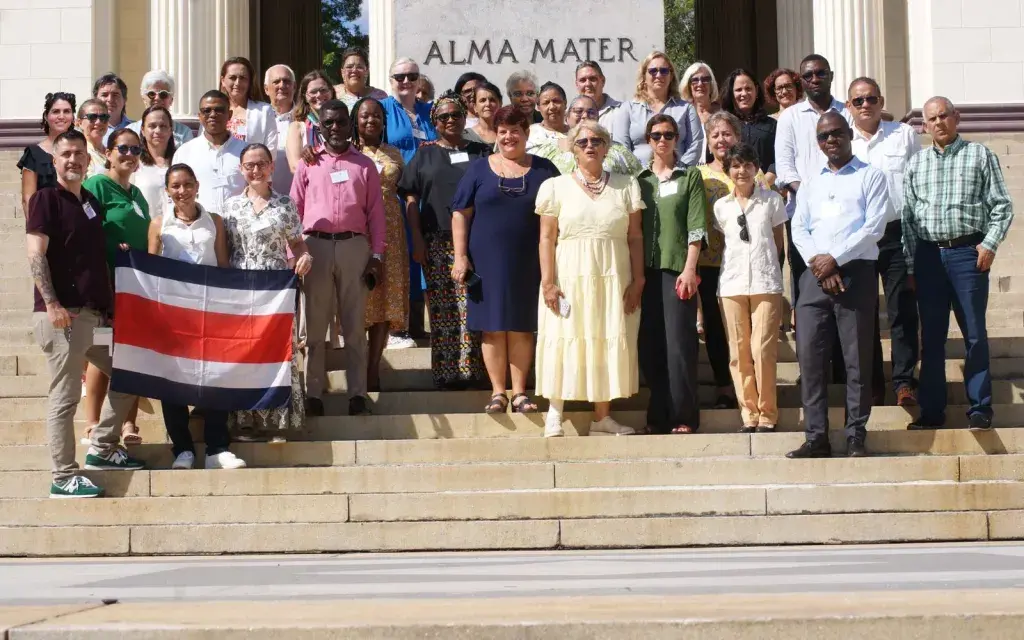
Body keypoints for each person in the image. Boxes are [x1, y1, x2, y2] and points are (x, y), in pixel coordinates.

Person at [26, 129, 145, 498]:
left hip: (95, 317)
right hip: (64, 317)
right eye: (66, 154)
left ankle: (103, 447)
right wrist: (51, 304)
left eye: (79, 153)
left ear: (87, 157)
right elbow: (35, 254)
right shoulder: (46, 199)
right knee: (65, 398)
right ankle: (63, 476)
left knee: (131, 373)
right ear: (54, 161)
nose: (73, 159)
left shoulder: (90, 202)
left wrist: (107, 308)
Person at [903, 97, 1015, 432]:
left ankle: (980, 407)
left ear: (956, 117)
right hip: (928, 257)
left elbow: (1002, 206)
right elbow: (909, 218)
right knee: (932, 337)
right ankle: (932, 411)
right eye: (932, 118)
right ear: (924, 126)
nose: (939, 122)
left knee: (975, 334)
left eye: (944, 116)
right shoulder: (916, 163)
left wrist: (989, 245)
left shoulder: (979, 155)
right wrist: (911, 266)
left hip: (968, 254)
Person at [786, 113, 888, 459]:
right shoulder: (811, 183)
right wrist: (820, 262)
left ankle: (856, 435)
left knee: (856, 360)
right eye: (824, 136)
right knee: (810, 360)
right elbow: (799, 228)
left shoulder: (871, 176)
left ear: (849, 135)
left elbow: (873, 228)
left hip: (855, 275)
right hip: (814, 278)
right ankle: (816, 437)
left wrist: (835, 259)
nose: (831, 140)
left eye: (837, 133)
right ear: (818, 143)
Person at [536, 121, 645, 437]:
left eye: (596, 141)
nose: (589, 146)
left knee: (606, 336)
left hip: (614, 275)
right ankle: (555, 413)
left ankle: (602, 418)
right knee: (563, 337)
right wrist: (548, 282)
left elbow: (635, 236)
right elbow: (546, 238)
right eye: (582, 141)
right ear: (572, 148)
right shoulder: (555, 186)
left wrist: (638, 280)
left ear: (606, 147)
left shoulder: (626, 185)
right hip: (569, 275)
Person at [451, 106, 560, 414]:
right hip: (486, 261)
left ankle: (520, 392)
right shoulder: (478, 169)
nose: (509, 136)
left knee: (522, 326)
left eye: (515, 130)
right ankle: (498, 392)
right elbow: (460, 213)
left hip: (530, 261)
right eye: (503, 132)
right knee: (492, 327)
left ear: (526, 133)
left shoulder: (545, 170)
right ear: (496, 135)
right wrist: (460, 256)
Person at [147, 164, 246, 470]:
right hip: (173, 314)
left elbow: (223, 264)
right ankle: (182, 450)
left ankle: (217, 448)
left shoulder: (214, 221)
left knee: (215, 376)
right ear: (167, 191)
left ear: (197, 185)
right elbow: (150, 270)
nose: (182, 191)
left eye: (188, 184)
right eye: (175, 186)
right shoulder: (159, 224)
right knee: (172, 380)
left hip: (210, 311)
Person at [291, 100, 385, 417]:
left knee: (354, 326)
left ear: (350, 125)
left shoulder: (365, 165)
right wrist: (295, 252)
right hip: (315, 247)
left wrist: (376, 255)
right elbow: (294, 209)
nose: (335, 128)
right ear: (319, 126)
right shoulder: (308, 163)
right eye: (328, 122)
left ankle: (357, 394)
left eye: (341, 122)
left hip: (353, 246)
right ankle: (313, 394)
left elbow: (376, 214)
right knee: (315, 328)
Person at [222, 144, 312, 441]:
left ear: (272, 166)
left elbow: (297, 243)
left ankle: (276, 421)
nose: (256, 170)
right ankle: (245, 420)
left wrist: (304, 256)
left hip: (275, 292)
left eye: (261, 164)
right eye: (249, 165)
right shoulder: (230, 207)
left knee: (277, 353)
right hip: (241, 291)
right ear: (241, 169)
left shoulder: (285, 204)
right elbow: (223, 248)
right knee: (244, 354)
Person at [401, 92, 490, 390]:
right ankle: (448, 375)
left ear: (465, 117)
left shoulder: (481, 152)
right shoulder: (424, 154)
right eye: (443, 116)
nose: (450, 120)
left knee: (476, 306)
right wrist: (417, 238)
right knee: (445, 308)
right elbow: (410, 197)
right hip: (437, 242)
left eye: (456, 115)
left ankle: (478, 373)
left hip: (478, 240)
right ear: (434, 122)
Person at [847, 77, 921, 408]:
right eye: (858, 100)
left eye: (871, 99)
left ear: (881, 101)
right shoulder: (843, 141)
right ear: (849, 106)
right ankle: (873, 384)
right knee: (864, 315)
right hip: (859, 238)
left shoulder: (903, 135)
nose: (865, 105)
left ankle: (904, 382)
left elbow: (918, 183)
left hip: (896, 234)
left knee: (901, 310)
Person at [637, 115, 707, 435]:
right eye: (656, 135)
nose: (662, 140)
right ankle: (657, 415)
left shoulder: (689, 176)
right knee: (651, 345)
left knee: (679, 344)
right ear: (648, 140)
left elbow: (696, 225)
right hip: (645, 272)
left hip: (678, 269)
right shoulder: (640, 180)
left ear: (677, 138)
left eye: (668, 134)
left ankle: (684, 416)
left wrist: (690, 268)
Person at [81, 127, 151, 446]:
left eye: (136, 150)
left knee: (130, 355)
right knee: (103, 353)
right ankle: (93, 422)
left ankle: (128, 423)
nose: (130, 155)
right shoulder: (96, 185)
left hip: (134, 289)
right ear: (108, 153)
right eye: (123, 148)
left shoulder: (137, 195)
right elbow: (84, 231)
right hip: (105, 286)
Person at [714, 143, 787, 432]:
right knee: (738, 352)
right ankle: (749, 413)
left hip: (765, 281)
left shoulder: (772, 201)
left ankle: (768, 413)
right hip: (731, 283)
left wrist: (769, 266)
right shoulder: (721, 206)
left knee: (762, 349)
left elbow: (778, 242)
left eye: (747, 165)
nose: (741, 170)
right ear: (728, 170)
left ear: (756, 168)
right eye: (735, 165)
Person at [775, 54, 851, 322]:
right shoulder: (789, 117)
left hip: (846, 213)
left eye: (820, 73)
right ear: (802, 81)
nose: (815, 79)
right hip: (803, 214)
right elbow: (785, 168)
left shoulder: (848, 113)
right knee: (807, 284)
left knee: (846, 286)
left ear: (831, 76)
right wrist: (810, 195)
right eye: (808, 75)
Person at [351, 96, 408, 391]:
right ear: (355, 120)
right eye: (365, 115)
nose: (371, 120)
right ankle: (358, 366)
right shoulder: (347, 152)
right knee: (360, 299)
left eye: (376, 116)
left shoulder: (394, 153)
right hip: (357, 231)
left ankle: (373, 370)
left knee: (385, 298)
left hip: (391, 230)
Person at [699, 111, 755, 409]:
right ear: (708, 141)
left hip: (746, 264)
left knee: (747, 329)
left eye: (727, 133)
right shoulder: (698, 175)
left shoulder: (754, 175)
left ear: (738, 137)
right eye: (715, 135)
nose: (722, 140)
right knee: (716, 327)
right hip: (710, 264)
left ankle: (751, 386)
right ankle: (724, 386)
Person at [613, 51, 703, 168]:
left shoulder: (686, 109)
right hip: (638, 175)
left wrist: (679, 171)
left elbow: (695, 145)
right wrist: (640, 174)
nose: (659, 75)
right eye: (653, 71)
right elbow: (621, 148)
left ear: (671, 76)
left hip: (679, 174)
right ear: (644, 76)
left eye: (664, 71)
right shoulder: (627, 109)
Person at [530, 95, 643, 176]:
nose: (585, 116)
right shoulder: (548, 150)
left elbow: (639, 180)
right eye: (578, 111)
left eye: (591, 112)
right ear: (567, 118)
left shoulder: (617, 150)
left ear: (598, 118)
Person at [173, 90, 246, 214]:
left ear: (229, 114)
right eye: (206, 111)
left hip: (239, 223)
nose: (213, 115)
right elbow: (175, 194)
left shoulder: (245, 151)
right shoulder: (185, 152)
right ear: (199, 116)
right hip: (201, 223)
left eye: (219, 110)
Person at [19, 92, 75, 212]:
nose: (61, 116)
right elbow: (28, 200)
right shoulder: (34, 154)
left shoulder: (80, 150)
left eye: (67, 111)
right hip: (46, 220)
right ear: (46, 116)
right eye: (56, 111)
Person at [721, 68, 777, 183]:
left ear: (756, 90)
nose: (744, 93)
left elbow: (782, 156)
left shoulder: (771, 125)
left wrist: (767, 179)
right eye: (738, 90)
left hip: (766, 187)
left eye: (748, 89)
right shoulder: (723, 125)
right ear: (731, 93)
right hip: (731, 185)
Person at [382, 57, 436, 164]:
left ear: (418, 80)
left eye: (412, 77)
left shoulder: (430, 111)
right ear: (391, 81)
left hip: (430, 172)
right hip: (399, 174)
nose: (406, 81)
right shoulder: (380, 109)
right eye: (400, 77)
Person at [219, 57, 279, 151]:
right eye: (232, 78)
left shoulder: (264, 111)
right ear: (223, 81)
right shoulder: (212, 109)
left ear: (250, 81)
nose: (237, 83)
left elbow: (271, 148)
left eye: (243, 78)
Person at [126, 70, 195, 146]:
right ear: (144, 99)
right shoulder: (130, 130)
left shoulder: (184, 133)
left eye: (163, 94)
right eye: (151, 94)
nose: (157, 98)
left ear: (171, 100)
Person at [286, 70, 336, 172]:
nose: (319, 95)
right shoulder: (297, 127)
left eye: (323, 90)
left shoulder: (341, 124)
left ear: (331, 92)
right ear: (305, 96)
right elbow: (294, 167)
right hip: (312, 181)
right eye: (313, 92)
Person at [132, 106, 176, 220]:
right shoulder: (134, 162)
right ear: (143, 130)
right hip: (144, 227)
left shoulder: (180, 159)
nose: (158, 131)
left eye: (163, 126)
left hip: (176, 227)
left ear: (170, 130)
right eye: (152, 126)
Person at [263, 64, 298, 193]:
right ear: (266, 89)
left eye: (287, 81)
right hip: (264, 197)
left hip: (298, 196)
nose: (282, 85)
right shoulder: (259, 118)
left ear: (294, 86)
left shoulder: (306, 119)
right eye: (276, 81)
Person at [679, 61, 720, 164]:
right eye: (695, 80)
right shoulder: (682, 115)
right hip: (687, 169)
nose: (700, 84)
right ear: (688, 85)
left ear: (711, 85)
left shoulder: (721, 115)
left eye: (705, 79)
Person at [574, 61, 621, 139]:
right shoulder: (569, 116)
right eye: (582, 80)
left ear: (603, 81)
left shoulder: (621, 111)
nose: (588, 84)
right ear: (576, 84)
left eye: (592, 79)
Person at [526, 82, 569, 151]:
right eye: (546, 103)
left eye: (556, 101)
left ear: (565, 103)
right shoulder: (529, 134)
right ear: (538, 107)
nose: (552, 107)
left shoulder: (576, 133)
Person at [76, 99, 110, 177]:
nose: (98, 122)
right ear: (80, 123)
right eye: (92, 117)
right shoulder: (78, 153)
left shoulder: (112, 152)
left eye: (103, 117)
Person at [94, 73, 131, 143]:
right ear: (96, 99)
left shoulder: (136, 128)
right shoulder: (89, 130)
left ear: (124, 99)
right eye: (104, 95)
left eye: (115, 95)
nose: (110, 99)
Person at [462, 82, 502, 146]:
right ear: (475, 107)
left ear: (500, 104)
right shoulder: (465, 136)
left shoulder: (507, 134)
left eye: (492, 100)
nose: (488, 104)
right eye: (482, 100)